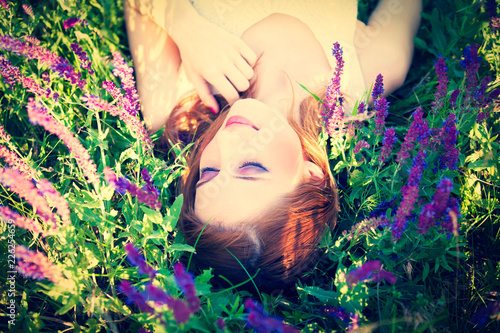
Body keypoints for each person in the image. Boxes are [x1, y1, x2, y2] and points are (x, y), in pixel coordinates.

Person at [124, 0, 421, 291]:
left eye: (210, 172)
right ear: (311, 177)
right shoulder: (364, 78)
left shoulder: (178, 108)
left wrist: (187, 28)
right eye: (251, 167)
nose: (227, 143)